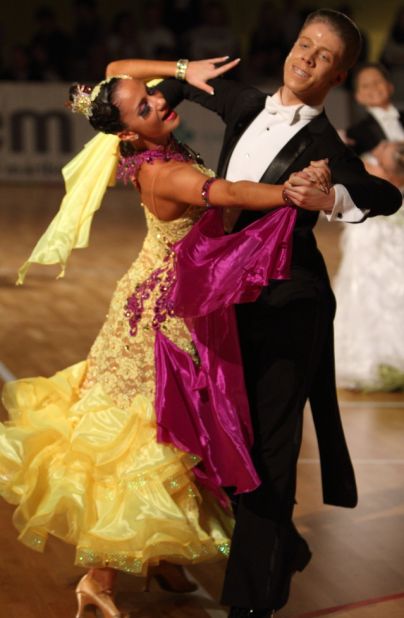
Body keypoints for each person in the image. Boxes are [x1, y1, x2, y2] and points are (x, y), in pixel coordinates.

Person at [0, 57, 330, 618]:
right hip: (162, 316)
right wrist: (290, 194)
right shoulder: (162, 173)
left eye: (152, 94)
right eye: (146, 105)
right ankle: (100, 576)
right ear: (130, 132)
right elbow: (229, 193)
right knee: (147, 441)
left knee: (177, 434)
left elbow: (117, 68)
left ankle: (156, 555)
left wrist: (181, 67)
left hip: (166, 299)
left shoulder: (142, 137)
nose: (159, 99)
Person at [122, 8, 403, 617]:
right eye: (304, 44)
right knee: (223, 441)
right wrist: (180, 74)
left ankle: (252, 604)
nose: (307, 58)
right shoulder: (246, 102)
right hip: (222, 298)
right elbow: (162, 88)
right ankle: (284, 545)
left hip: (288, 302)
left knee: (270, 453)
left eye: (324, 56)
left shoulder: (326, 144)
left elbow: (384, 193)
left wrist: (331, 195)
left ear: (337, 76)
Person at [334, 140, 404, 391]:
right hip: (377, 257)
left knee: (373, 304)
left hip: (374, 258)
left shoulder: (375, 179)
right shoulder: (383, 179)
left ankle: (380, 361)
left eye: (383, 149)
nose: (379, 144)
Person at [346, 62, 404, 155]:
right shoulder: (355, 133)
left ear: (390, 86)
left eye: (378, 81)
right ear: (358, 96)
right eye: (365, 85)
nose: (373, 87)